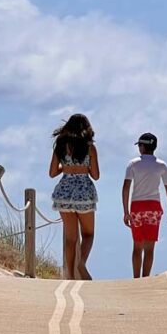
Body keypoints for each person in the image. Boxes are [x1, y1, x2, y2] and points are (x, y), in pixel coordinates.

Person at [49, 114, 99, 280]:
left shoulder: (61, 146)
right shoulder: (90, 147)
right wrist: (82, 167)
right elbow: (96, 175)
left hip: (64, 192)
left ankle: (70, 275)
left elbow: (52, 172)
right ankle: (81, 263)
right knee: (88, 234)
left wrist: (67, 166)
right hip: (83, 192)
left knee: (70, 238)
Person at [122, 132, 167, 279]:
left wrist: (125, 211)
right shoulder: (161, 165)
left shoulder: (133, 164)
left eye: (139, 145)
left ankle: (136, 278)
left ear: (142, 147)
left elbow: (126, 187)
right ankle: (145, 278)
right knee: (150, 248)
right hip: (153, 207)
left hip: (137, 207)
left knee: (137, 246)